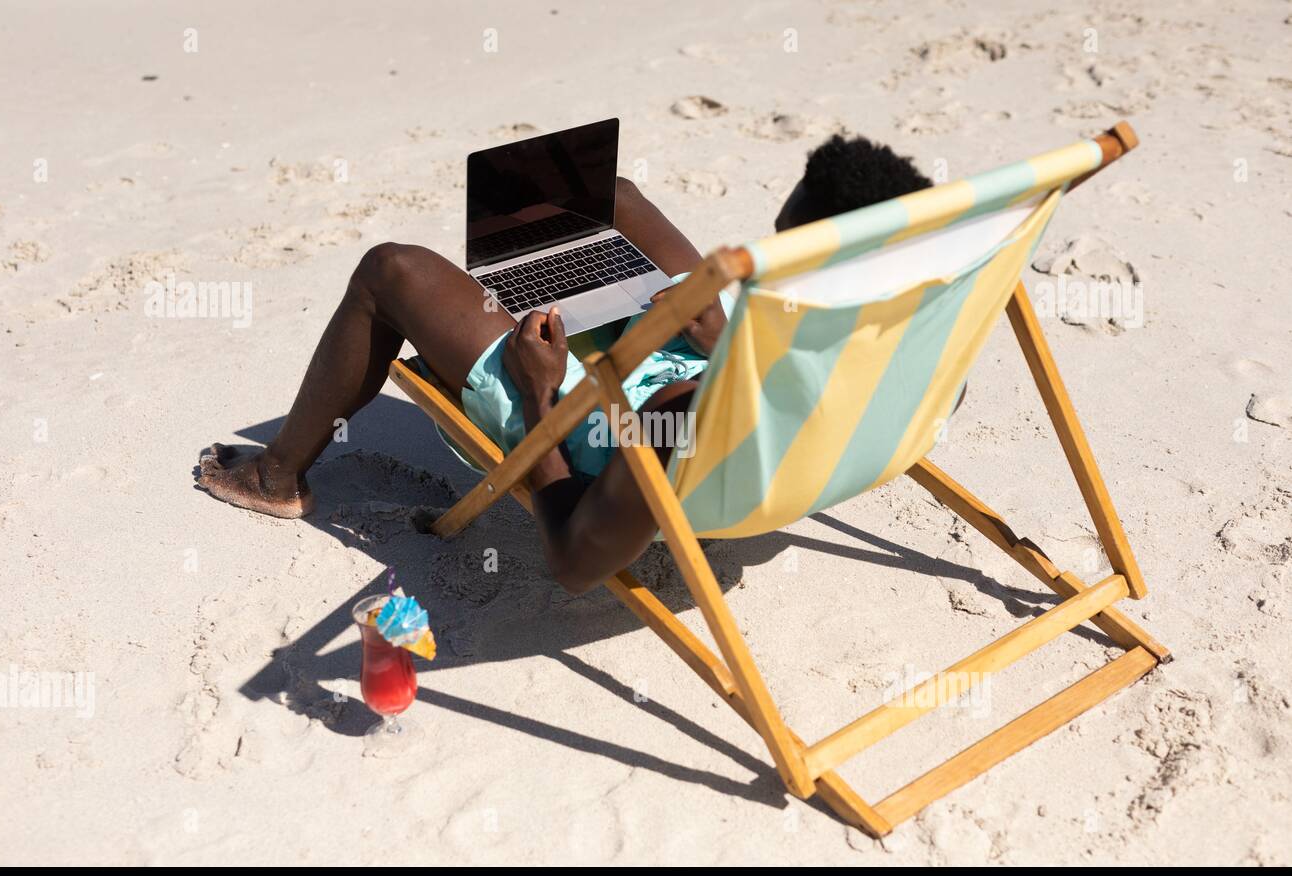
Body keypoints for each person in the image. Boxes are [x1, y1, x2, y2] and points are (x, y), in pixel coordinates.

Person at [197, 134, 934, 593]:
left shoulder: (676, 422)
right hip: (738, 377)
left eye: (782, 245)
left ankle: (276, 476)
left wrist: (541, 394)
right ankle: (567, 291)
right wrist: (731, 344)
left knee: (391, 269)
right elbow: (770, 378)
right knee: (598, 199)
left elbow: (578, 562)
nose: (765, 257)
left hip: (612, 430)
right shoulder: (908, 337)